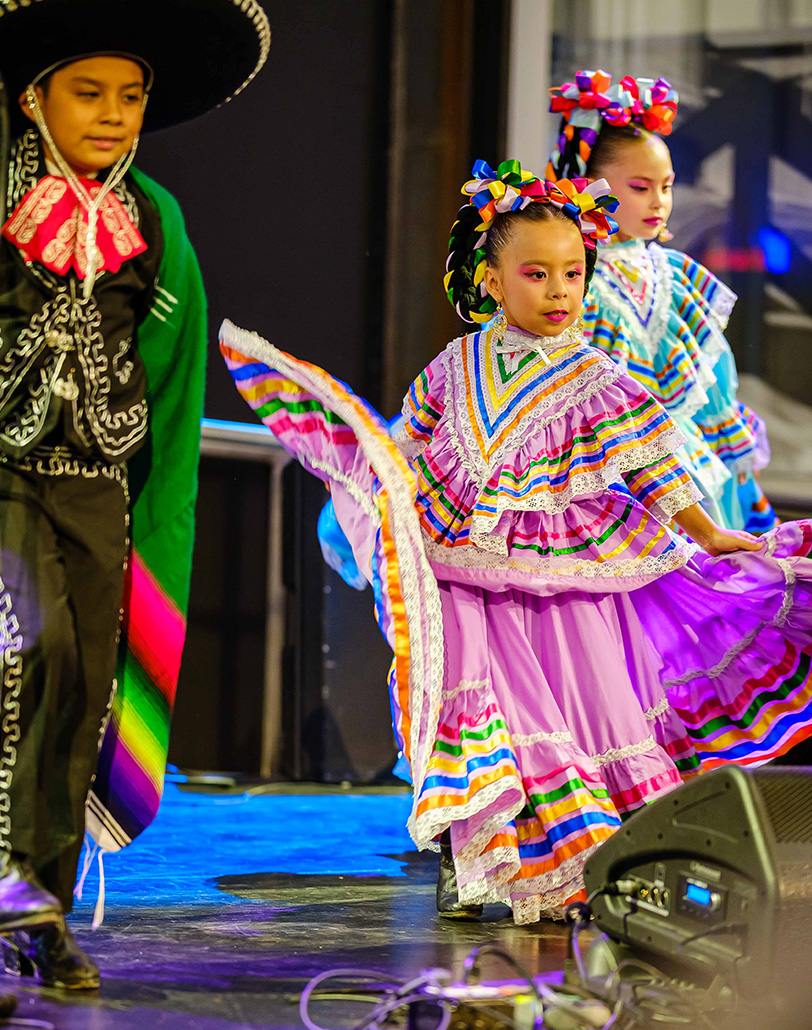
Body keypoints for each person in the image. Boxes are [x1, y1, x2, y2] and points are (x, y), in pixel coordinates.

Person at [219, 159, 812, 925]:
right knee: (462, 704)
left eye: (573, 273)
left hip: (567, 578)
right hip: (457, 566)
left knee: (580, 712)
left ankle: (599, 860)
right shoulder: (454, 366)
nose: (560, 291)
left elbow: (653, 467)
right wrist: (370, 485)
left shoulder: (598, 376)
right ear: (492, 282)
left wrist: (709, 532)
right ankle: (469, 853)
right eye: (537, 274)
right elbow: (407, 445)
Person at [0, 0, 270, 989]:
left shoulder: (152, 219)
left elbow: (172, 367)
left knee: (83, 690)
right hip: (4, 478)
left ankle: (38, 904)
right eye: (88, 92)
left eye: (130, 96)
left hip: (95, 487)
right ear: (33, 99)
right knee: (27, 659)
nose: (112, 114)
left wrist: (148, 505)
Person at [547, 70, 777, 535]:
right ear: (588, 185)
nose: (658, 202)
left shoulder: (676, 275)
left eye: (667, 186)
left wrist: (736, 459)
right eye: (640, 187)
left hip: (681, 454)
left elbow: (712, 381)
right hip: (598, 458)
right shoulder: (571, 276)